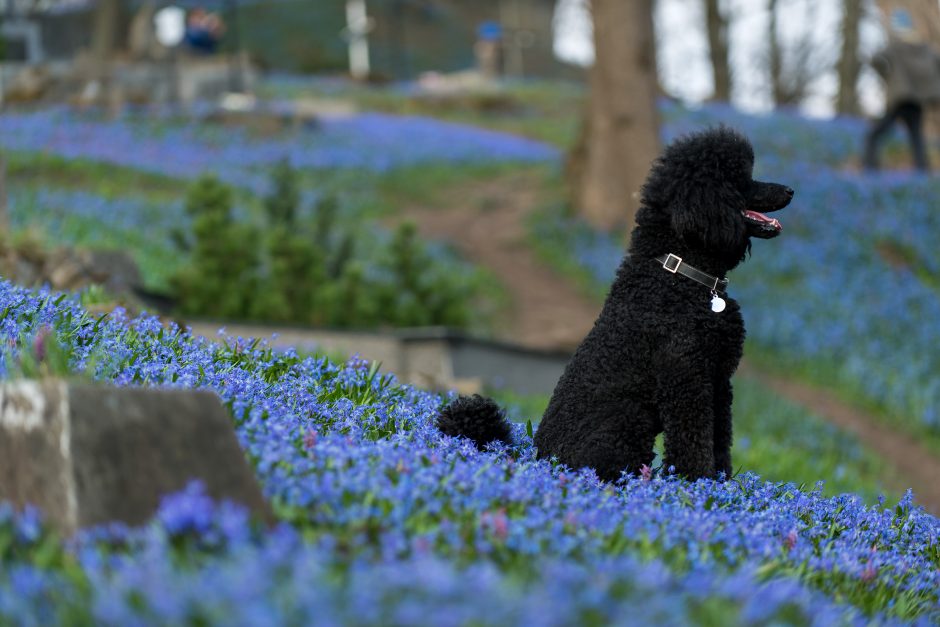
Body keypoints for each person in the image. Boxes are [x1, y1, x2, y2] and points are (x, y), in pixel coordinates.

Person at [863, 9, 940, 172]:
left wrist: (886, 76)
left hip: (900, 98)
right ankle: (922, 175)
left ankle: (870, 170)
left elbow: (875, 59)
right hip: (917, 101)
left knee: (874, 135)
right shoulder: (925, 49)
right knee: (917, 139)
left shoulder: (896, 46)